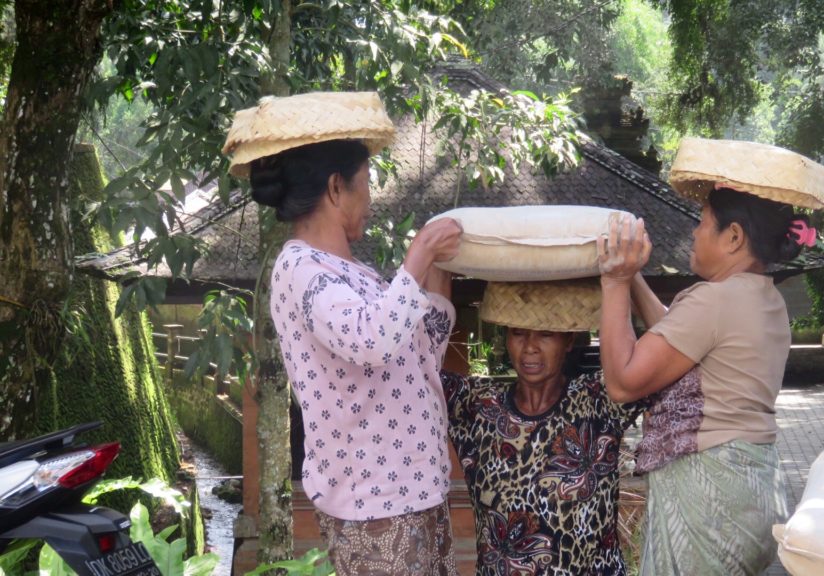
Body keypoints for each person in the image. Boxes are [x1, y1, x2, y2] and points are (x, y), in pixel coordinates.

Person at [224, 92, 464, 575]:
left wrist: (434, 275)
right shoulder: (301, 269)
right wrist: (415, 258)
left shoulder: (355, 274)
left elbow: (421, 352)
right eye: (365, 186)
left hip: (414, 489)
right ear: (337, 188)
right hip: (374, 500)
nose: (370, 201)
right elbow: (372, 340)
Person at [598, 179, 824, 574]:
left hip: (709, 489)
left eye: (702, 223)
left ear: (733, 237)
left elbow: (622, 383)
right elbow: (678, 336)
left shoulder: (714, 300)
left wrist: (614, 282)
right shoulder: (764, 297)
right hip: (754, 484)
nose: (694, 232)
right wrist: (633, 276)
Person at [441, 280, 646, 575]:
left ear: (569, 341)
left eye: (546, 335)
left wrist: (627, 277)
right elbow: (420, 362)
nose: (530, 348)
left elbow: (678, 348)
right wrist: (436, 261)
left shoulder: (598, 401)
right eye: (518, 333)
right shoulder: (479, 406)